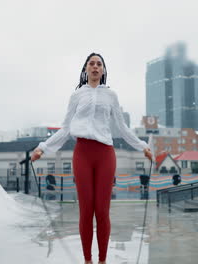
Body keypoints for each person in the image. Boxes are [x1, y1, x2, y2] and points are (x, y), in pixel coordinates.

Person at [31, 53, 153, 264]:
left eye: (99, 64)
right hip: (82, 154)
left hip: (105, 153)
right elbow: (66, 128)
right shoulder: (77, 95)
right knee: (86, 209)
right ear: (85, 69)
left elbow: (122, 128)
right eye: (91, 63)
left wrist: (143, 146)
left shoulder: (111, 96)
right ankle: (88, 260)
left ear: (103, 70)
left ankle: (102, 260)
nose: (95, 67)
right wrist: (43, 148)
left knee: (102, 210)